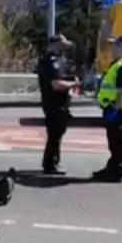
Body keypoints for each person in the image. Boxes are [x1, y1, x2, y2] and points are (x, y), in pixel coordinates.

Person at [93, 36, 122, 183]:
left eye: (115, 46)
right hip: (112, 107)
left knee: (118, 141)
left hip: (117, 109)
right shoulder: (118, 63)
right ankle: (111, 168)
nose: (112, 49)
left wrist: (116, 107)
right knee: (113, 141)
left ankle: (117, 171)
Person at [37, 34, 79, 175]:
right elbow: (56, 84)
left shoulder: (59, 60)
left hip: (59, 103)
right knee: (55, 134)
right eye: (62, 45)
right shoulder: (50, 61)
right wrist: (74, 84)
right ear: (55, 44)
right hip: (54, 104)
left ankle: (52, 161)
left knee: (57, 134)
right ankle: (50, 164)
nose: (65, 48)